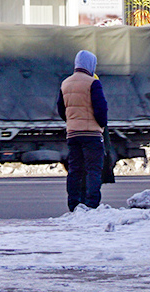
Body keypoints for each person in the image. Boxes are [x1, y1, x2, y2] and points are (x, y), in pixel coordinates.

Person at [57, 50, 109, 211]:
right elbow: (101, 108)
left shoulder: (65, 83)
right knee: (93, 169)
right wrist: (101, 125)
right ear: (90, 64)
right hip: (92, 134)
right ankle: (92, 204)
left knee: (75, 170)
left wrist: (72, 121)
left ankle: (73, 204)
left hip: (73, 134)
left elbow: (60, 109)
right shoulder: (93, 82)